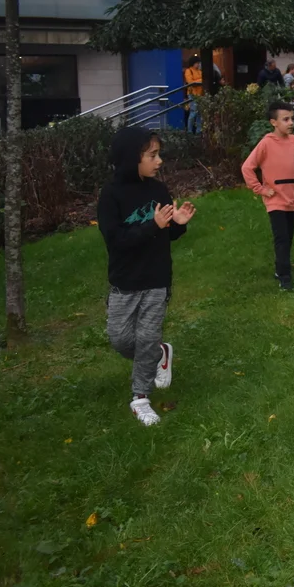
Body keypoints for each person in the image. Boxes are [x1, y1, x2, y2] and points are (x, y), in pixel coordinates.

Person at [97, 127, 196, 426]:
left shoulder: (158, 190)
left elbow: (169, 233)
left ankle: (140, 397)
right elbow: (116, 240)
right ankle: (159, 353)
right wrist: (153, 225)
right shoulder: (111, 195)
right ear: (132, 157)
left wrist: (178, 223)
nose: (159, 161)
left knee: (147, 336)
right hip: (125, 280)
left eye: (158, 154)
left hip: (156, 278)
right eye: (152, 155)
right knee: (121, 339)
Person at [241, 101, 294, 290]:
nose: (290, 122)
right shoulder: (266, 143)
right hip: (275, 200)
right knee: (281, 237)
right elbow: (247, 167)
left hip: (293, 198)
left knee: (288, 236)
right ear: (273, 122)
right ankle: (285, 277)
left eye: (292, 118)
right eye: (285, 119)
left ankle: (279, 267)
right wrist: (260, 189)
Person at [183, 56, 203, 134]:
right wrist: (200, 80)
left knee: (199, 114)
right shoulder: (188, 71)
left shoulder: (199, 71)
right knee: (193, 112)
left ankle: (198, 131)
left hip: (200, 94)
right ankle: (190, 131)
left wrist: (198, 81)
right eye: (197, 63)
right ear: (193, 63)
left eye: (199, 63)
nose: (198, 65)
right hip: (192, 94)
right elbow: (191, 82)